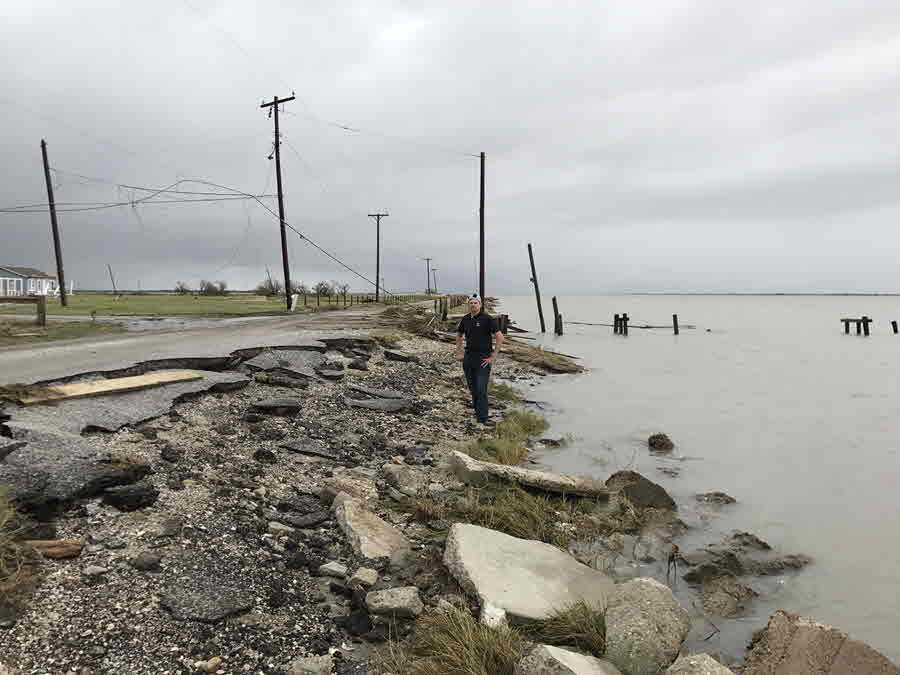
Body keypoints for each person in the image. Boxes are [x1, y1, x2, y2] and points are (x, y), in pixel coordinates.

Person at [455, 295, 504, 426]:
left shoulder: (487, 318)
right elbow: (459, 335)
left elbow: (499, 337)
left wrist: (493, 356)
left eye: (475, 303)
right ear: (468, 305)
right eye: (471, 303)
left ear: (480, 304)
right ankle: (477, 413)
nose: (473, 305)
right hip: (468, 357)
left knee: (481, 389)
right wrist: (459, 352)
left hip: (483, 358)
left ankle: (483, 418)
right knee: (472, 388)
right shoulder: (465, 319)